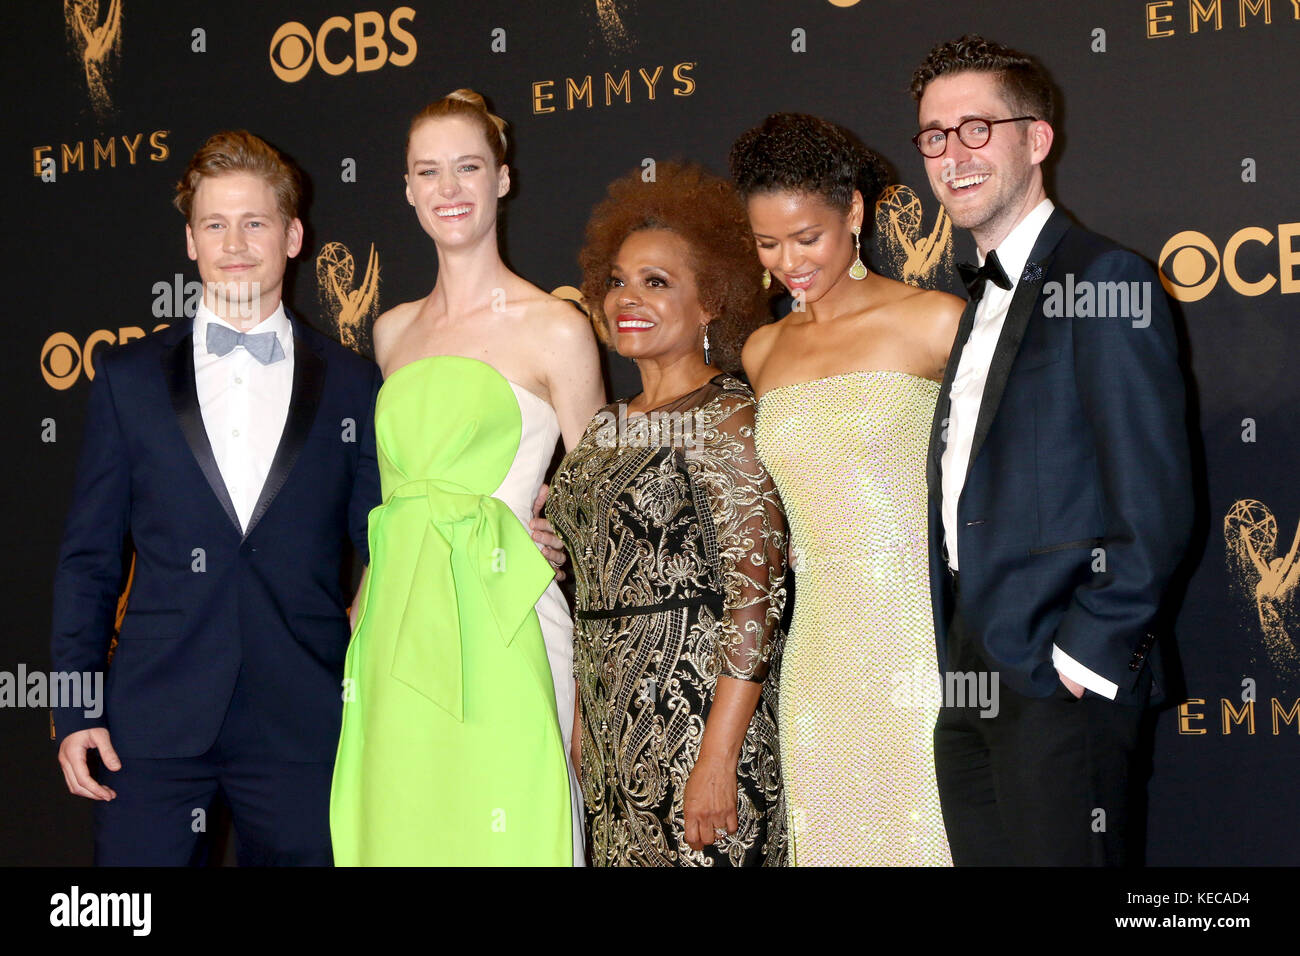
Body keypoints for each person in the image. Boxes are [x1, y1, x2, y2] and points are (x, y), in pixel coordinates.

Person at [51, 130, 382, 865]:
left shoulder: (354, 384)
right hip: (152, 724)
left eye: (255, 222)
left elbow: (385, 547)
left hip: (304, 724)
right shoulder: (128, 378)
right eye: (215, 224)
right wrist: (74, 707)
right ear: (191, 240)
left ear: (293, 235)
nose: (235, 243)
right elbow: (88, 561)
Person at [910, 35, 1193, 865]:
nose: (952, 155)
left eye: (976, 129)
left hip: (1057, 681)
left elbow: (1157, 502)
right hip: (968, 673)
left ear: (1036, 140)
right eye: (933, 135)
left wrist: (1085, 655)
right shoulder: (973, 308)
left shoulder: (1106, 277)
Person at [328, 90, 604, 866]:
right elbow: (393, 494)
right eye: (429, 172)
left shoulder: (556, 326)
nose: (449, 189)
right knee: (407, 828)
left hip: (507, 611)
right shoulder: (391, 332)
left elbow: (606, 503)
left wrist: (561, 532)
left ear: (502, 180)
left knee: (514, 825)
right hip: (395, 623)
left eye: (468, 168)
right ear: (408, 189)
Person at [728, 114, 962, 866]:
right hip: (821, 659)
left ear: (853, 213)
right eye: (768, 244)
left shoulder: (934, 322)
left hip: (920, 648)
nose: (788, 262)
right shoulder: (762, 351)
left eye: (808, 238)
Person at [546, 162, 788, 866]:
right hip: (615, 736)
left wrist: (717, 759)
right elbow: (589, 571)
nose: (628, 297)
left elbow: (756, 601)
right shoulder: (605, 429)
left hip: (699, 728)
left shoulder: (729, 415)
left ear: (711, 301)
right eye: (618, 280)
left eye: (657, 283)